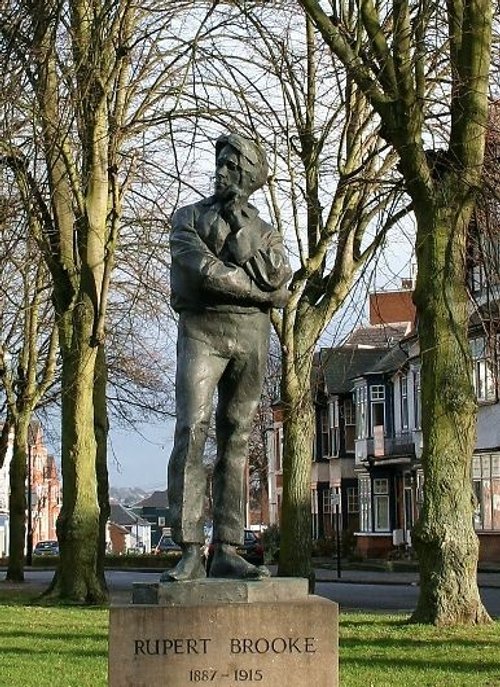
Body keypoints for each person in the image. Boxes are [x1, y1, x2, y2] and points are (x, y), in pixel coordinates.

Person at [162, 133, 291, 581]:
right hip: (202, 330)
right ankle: (190, 548)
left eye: (232, 166)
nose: (221, 172)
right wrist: (258, 290)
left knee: (237, 436)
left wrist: (240, 231)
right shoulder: (188, 219)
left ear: (250, 176)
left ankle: (229, 549)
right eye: (219, 163)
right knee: (191, 430)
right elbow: (199, 272)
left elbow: (280, 275)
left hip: (251, 337)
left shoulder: (264, 232)